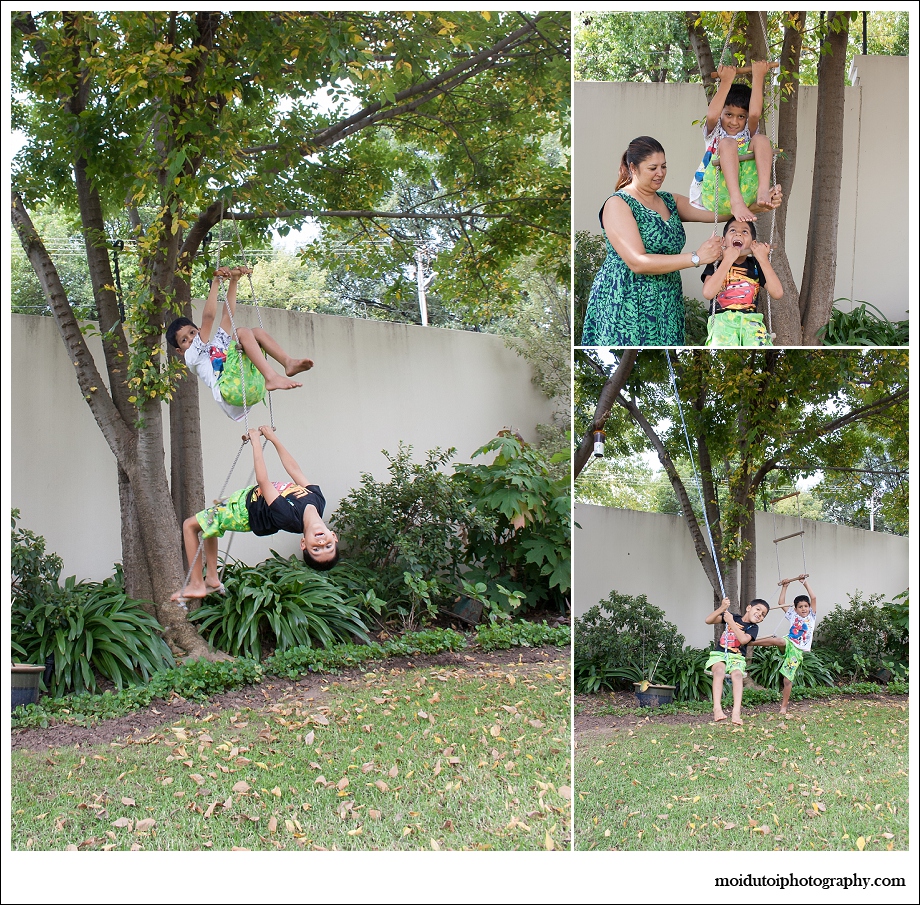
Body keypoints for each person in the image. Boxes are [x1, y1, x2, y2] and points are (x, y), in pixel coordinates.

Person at [580, 136, 782, 346]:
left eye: (664, 166)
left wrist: (760, 203)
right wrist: (697, 257)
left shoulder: (670, 201)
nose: (660, 173)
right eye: (653, 168)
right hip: (626, 301)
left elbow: (718, 214)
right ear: (633, 168)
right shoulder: (618, 204)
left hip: (666, 300)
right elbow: (637, 262)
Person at [172, 425, 339, 603]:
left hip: (244, 512)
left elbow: (263, 481)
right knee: (210, 526)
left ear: (304, 543)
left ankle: (197, 584)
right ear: (334, 536)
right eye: (327, 546)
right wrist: (273, 439)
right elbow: (295, 470)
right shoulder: (318, 502)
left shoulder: (289, 516)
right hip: (245, 498)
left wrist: (256, 442)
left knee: (190, 525)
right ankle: (212, 578)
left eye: (316, 549)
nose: (321, 543)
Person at [166, 266, 313, 421]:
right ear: (180, 351)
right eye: (184, 340)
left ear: (199, 330)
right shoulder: (191, 356)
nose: (190, 339)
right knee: (241, 332)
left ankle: (288, 362)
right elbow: (208, 318)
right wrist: (216, 283)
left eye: (192, 333)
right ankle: (272, 377)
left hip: (251, 387)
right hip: (231, 390)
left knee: (256, 332)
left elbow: (227, 316)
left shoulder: (217, 344)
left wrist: (234, 281)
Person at [690, 61, 775, 223]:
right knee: (728, 143)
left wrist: (758, 77)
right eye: (729, 114)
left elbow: (755, 114)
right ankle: (736, 201)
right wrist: (726, 82)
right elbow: (712, 116)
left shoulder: (747, 133)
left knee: (762, 139)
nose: (734, 122)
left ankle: (763, 190)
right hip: (718, 193)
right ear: (722, 113)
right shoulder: (715, 132)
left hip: (747, 191)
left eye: (741, 116)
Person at [701, 217, 783, 346]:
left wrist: (762, 259)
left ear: (753, 243)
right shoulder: (716, 263)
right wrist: (728, 259)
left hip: (751, 321)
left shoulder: (756, 265)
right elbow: (708, 293)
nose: (738, 234)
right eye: (732, 230)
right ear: (723, 240)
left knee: (759, 347)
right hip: (722, 320)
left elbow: (777, 293)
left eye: (745, 232)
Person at [750, 575, 818, 715]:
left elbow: (814, 597)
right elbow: (781, 602)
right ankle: (750, 642)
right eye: (800, 607)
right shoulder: (793, 615)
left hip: (796, 651)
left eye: (806, 606)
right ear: (795, 608)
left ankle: (784, 706)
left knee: (787, 680)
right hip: (788, 642)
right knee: (779, 640)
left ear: (809, 607)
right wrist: (785, 586)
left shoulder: (812, 616)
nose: (803, 609)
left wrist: (804, 583)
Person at [704, 596, 769, 725]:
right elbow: (708, 620)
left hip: (737, 657)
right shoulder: (733, 616)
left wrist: (731, 622)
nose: (759, 615)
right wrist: (722, 609)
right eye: (758, 609)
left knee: (738, 675)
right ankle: (717, 709)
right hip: (719, 654)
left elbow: (744, 640)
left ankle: (736, 712)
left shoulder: (753, 628)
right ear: (748, 608)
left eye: (763, 615)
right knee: (718, 672)